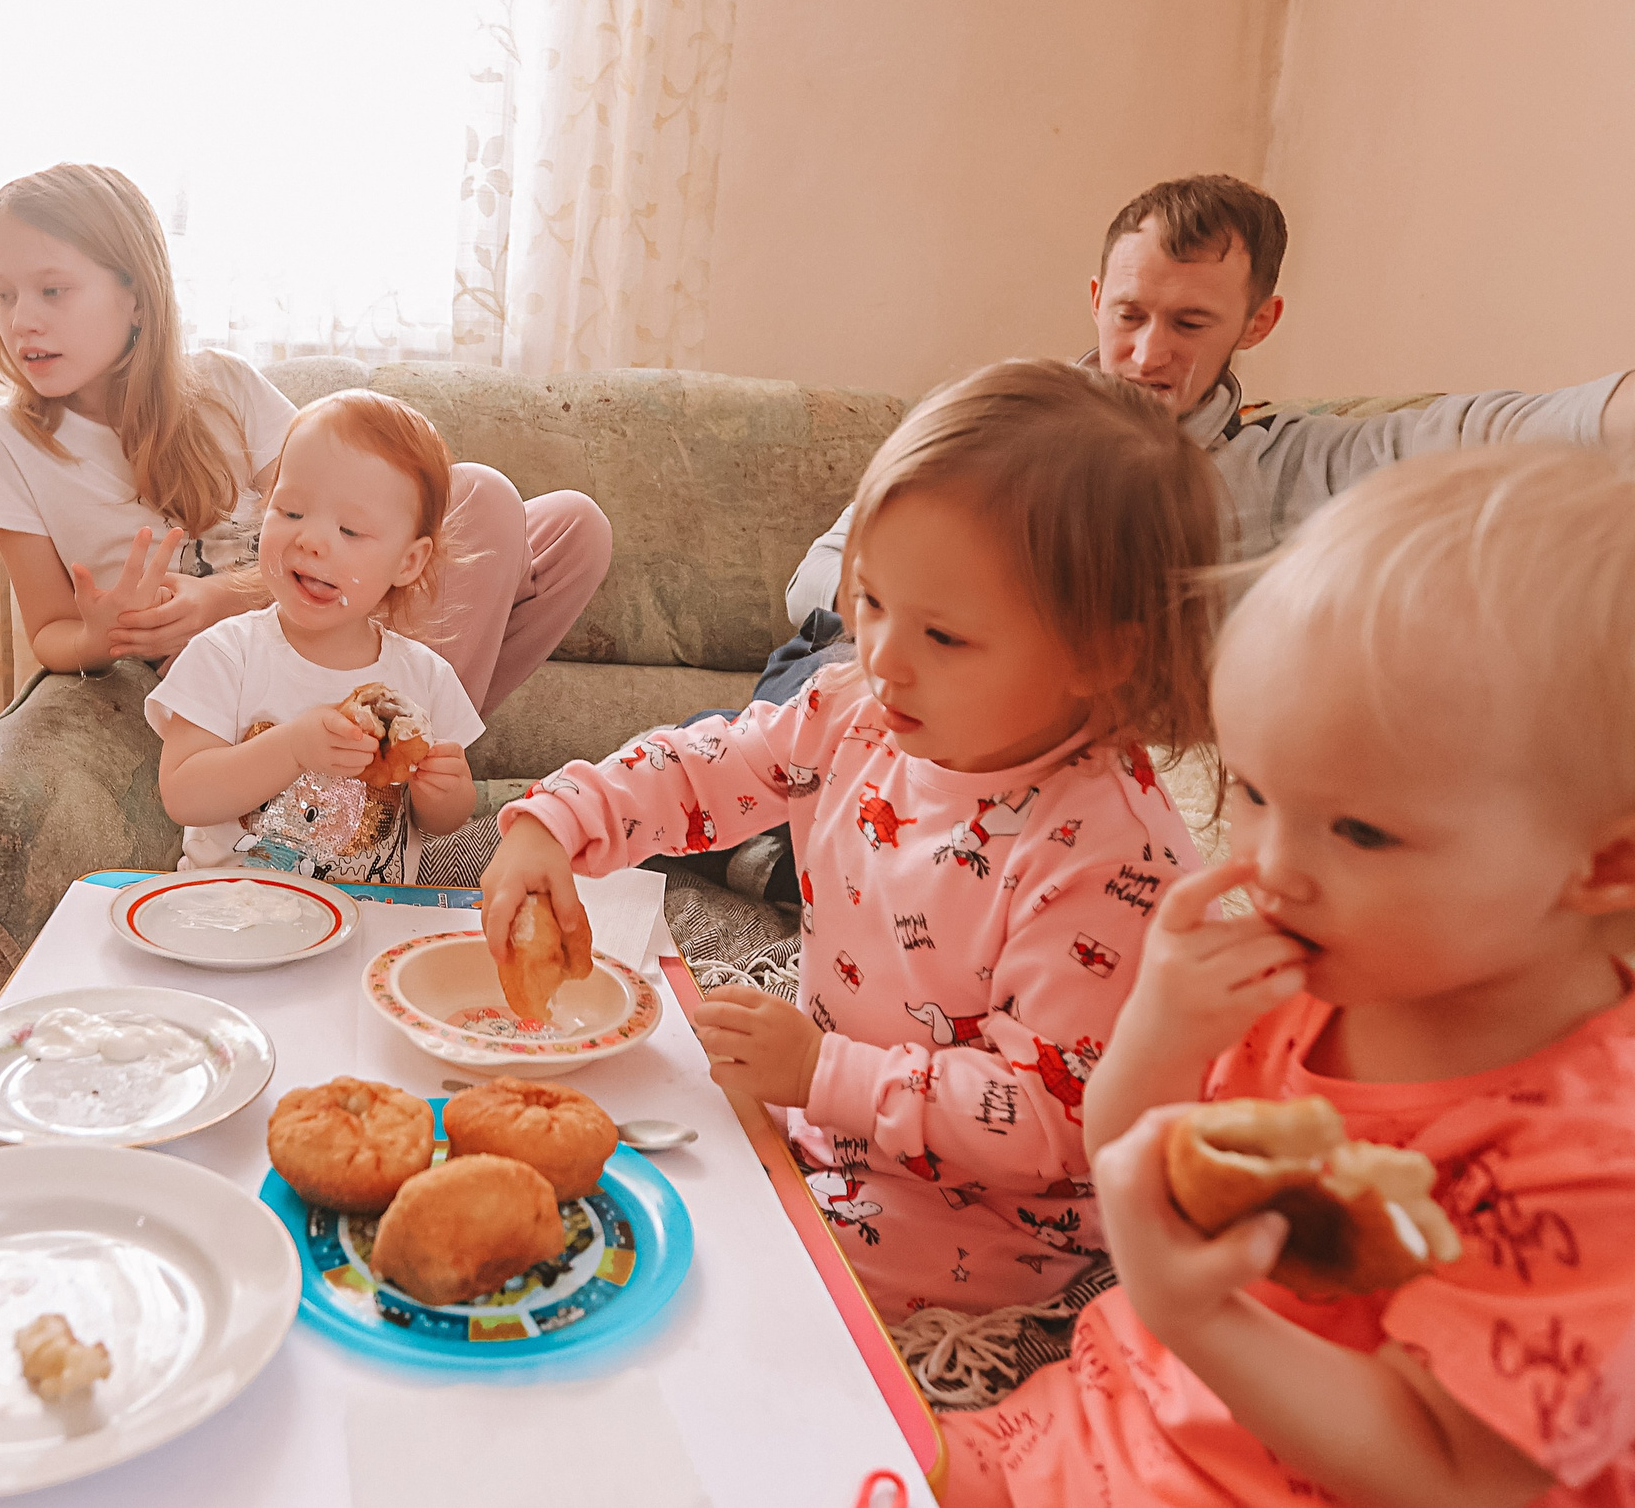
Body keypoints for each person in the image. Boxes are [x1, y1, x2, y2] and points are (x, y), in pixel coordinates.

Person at [938, 444, 1635, 1506]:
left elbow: (1454, 1474)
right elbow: (1131, 1159)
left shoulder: (1597, 1160)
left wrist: (1196, 1317)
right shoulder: (1311, 973)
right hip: (1101, 1420)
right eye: (1251, 789)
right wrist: (1160, 1034)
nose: (1266, 870)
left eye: (1357, 830)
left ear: (1606, 864)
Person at [480, 359, 1223, 1318]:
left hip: (972, 1229)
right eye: (870, 603)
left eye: (944, 636)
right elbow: (706, 765)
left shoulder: (1107, 857)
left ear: (1103, 652)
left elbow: (1051, 1118)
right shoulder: (854, 711)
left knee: (715, 1306)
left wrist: (824, 1073)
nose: (883, 658)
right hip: (818, 1116)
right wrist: (557, 817)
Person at [711, 173, 1635, 914]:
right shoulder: (999, 426)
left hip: (1050, 760)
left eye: (1191, 323)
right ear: (1094, 299)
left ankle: (780, 851)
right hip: (877, 696)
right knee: (815, 670)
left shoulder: (1288, 462)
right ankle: (775, 836)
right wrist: (949, 619)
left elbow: (1498, 426)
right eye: (1129, 314)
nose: (1149, 352)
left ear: (1256, 324)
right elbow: (818, 576)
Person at [0, 162, 610, 715]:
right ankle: (396, 765)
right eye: (1, 295)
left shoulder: (222, 384)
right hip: (249, 670)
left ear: (136, 296)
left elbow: (335, 537)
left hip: (330, 613)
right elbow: (50, 629)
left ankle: (402, 747)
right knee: (486, 498)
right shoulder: (5, 444)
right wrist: (100, 637)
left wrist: (217, 595)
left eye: (52, 290)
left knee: (565, 524)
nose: (22, 320)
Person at [147, 390, 482, 883]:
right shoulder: (226, 654)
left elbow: (444, 824)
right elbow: (182, 794)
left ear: (409, 561)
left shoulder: (424, 676)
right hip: (232, 915)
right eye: (292, 512)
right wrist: (292, 750)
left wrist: (446, 793)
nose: (311, 540)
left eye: (350, 530)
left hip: (372, 923)